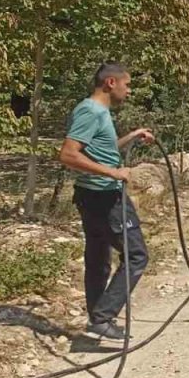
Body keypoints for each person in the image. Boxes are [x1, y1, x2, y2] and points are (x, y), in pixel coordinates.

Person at [58, 62, 154, 343]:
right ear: (111, 83)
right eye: (127, 84)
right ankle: (102, 317)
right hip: (105, 196)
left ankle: (97, 320)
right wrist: (115, 173)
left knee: (99, 258)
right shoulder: (90, 111)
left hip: (93, 195)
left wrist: (133, 136)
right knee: (136, 255)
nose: (129, 90)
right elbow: (68, 155)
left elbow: (104, 151)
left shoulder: (98, 112)